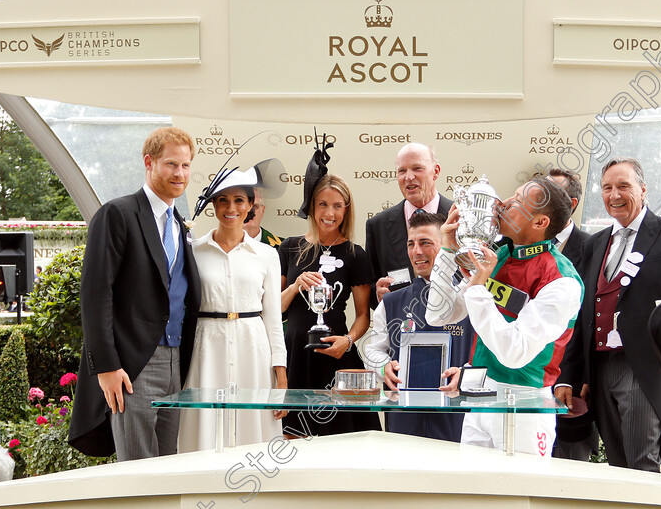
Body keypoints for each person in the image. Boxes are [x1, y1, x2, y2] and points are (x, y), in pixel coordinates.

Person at [556, 157, 661, 472]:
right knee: (617, 465)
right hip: (600, 369)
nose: (614, 195)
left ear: (643, 190)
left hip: (645, 367)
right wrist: (570, 377)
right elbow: (581, 315)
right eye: (607, 188)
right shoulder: (595, 244)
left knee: (642, 465)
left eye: (623, 186)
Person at [69, 127, 201, 460]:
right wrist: (107, 367)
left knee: (168, 463)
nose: (179, 174)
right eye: (171, 164)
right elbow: (96, 296)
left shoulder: (178, 224)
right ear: (149, 162)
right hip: (134, 366)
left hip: (176, 362)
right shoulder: (118, 214)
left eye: (185, 166)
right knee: (138, 469)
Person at [427, 176, 583, 456]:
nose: (502, 204)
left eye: (517, 202)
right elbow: (438, 314)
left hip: (524, 403)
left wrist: (477, 289)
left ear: (539, 223)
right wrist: (448, 251)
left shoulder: (562, 280)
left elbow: (515, 352)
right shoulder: (496, 256)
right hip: (480, 396)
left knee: (518, 496)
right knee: (472, 496)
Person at [178, 163, 287, 451]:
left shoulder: (267, 255)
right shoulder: (193, 251)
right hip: (206, 348)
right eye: (223, 200)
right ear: (213, 204)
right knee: (204, 423)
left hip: (253, 347)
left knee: (254, 425)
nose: (231, 207)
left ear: (251, 205)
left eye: (239, 200)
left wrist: (282, 377)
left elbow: (273, 319)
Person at [279, 173, 380, 436]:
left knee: (344, 439)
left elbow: (362, 317)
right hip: (294, 359)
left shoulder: (356, 255)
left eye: (337, 206)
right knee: (292, 437)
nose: (329, 213)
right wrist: (295, 286)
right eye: (323, 204)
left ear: (346, 210)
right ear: (311, 206)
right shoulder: (289, 248)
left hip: (337, 359)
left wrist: (347, 341)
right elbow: (275, 310)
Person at [360, 211, 474, 442]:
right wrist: (384, 368)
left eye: (425, 243)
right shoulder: (392, 301)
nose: (416, 252)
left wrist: (465, 376)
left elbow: (489, 356)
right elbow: (372, 350)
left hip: (457, 417)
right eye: (411, 244)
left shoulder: (470, 296)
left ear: (447, 246)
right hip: (404, 418)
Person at [545, 169, 597, 462]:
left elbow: (590, 321)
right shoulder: (517, 249)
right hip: (527, 384)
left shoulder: (593, 247)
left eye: (551, 194)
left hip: (572, 390)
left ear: (572, 203)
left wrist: (572, 378)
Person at [365, 143, 454, 306]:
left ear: (436, 171)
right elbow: (368, 287)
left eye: (417, 168)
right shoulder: (378, 226)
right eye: (402, 171)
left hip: (456, 326)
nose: (409, 177)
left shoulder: (459, 218)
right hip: (402, 326)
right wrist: (377, 295)